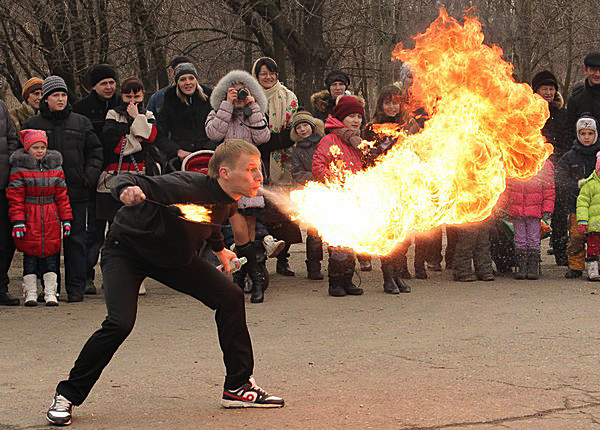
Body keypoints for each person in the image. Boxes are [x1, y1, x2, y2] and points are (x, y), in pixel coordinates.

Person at [45, 140, 284, 426]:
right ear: (224, 172)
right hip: (127, 252)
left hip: (174, 259)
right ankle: (67, 394)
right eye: (251, 169)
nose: (259, 177)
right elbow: (125, 178)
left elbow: (211, 223)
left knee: (230, 298)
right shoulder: (183, 184)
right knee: (120, 323)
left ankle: (238, 386)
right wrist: (126, 190)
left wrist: (221, 251)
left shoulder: (229, 200)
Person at [22, 76, 103, 302]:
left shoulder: (81, 122)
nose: (60, 99)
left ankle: (76, 287)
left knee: (76, 239)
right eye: (55, 95)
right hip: (42, 196)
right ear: (45, 99)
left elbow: (95, 152)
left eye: (63, 95)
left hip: (76, 192)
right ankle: (49, 289)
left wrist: (88, 177)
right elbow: (22, 157)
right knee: (45, 240)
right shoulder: (32, 125)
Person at [205, 69, 271, 303]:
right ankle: (254, 278)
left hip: (251, 173)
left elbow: (263, 137)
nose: (240, 94)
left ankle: (243, 275)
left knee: (250, 229)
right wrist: (227, 106)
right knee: (237, 225)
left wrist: (253, 107)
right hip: (229, 175)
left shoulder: (256, 112)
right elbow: (214, 133)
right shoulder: (217, 112)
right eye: (235, 90)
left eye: (244, 89)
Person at [362, 84, 420, 292]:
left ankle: (398, 273)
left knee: (402, 234)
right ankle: (388, 276)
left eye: (396, 102)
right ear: (381, 104)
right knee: (387, 233)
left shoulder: (408, 126)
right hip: (381, 185)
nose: (392, 107)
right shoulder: (371, 128)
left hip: (403, 184)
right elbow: (366, 156)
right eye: (388, 103)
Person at [7, 129, 72, 306]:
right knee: (30, 256)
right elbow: (15, 198)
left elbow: (62, 196)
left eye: (42, 147)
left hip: (50, 216)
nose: (40, 150)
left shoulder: (55, 168)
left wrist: (66, 219)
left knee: (51, 255)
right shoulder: (19, 169)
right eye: (35, 147)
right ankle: (30, 291)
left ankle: (51, 291)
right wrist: (18, 221)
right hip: (30, 216)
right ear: (27, 149)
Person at [251, 57, 301, 276]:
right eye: (263, 74)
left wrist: (280, 140)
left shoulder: (289, 97)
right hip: (256, 157)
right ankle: (258, 260)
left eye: (272, 73)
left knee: (285, 212)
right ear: (256, 76)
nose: (268, 77)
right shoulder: (250, 97)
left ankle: (283, 259)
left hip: (283, 158)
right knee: (259, 211)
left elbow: (294, 130)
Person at [312, 95, 366, 297]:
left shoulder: (358, 142)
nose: (356, 120)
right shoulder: (330, 140)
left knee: (352, 242)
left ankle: (348, 280)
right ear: (341, 117)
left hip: (355, 197)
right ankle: (335, 282)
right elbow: (318, 167)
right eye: (351, 116)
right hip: (336, 197)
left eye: (359, 116)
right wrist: (337, 180)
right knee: (338, 243)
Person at [72, 64, 119, 295]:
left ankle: (112, 275)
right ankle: (86, 275)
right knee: (93, 232)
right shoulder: (81, 109)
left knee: (117, 232)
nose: (109, 87)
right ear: (94, 86)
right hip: (92, 179)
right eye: (104, 83)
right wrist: (88, 174)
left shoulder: (124, 106)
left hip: (119, 177)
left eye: (112, 82)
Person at [530, 71, 569, 266]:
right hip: (536, 167)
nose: (548, 92)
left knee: (560, 212)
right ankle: (532, 253)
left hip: (558, 165)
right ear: (535, 90)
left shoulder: (562, 114)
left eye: (551, 88)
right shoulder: (526, 112)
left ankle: (561, 252)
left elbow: (567, 140)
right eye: (544, 88)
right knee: (534, 212)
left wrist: (557, 160)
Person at [556, 113, 600, 278]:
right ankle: (575, 265)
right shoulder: (569, 157)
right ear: (577, 134)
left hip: (598, 207)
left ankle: (596, 264)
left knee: (597, 237)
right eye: (583, 133)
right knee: (576, 236)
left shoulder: (599, 155)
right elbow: (560, 178)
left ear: (596, 134)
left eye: (590, 133)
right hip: (576, 205)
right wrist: (575, 186)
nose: (586, 137)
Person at [497, 161, 555, 279]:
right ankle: (522, 267)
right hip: (517, 210)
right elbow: (507, 187)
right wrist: (502, 206)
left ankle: (533, 267)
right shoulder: (514, 160)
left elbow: (549, 188)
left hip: (534, 210)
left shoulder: (544, 164)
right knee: (519, 239)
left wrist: (547, 208)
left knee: (533, 238)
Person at [156, 62, 215, 168]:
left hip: (208, 155)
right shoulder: (170, 100)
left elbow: (220, 129)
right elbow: (159, 134)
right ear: (176, 82)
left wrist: (207, 149)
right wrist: (177, 150)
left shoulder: (210, 98)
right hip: (179, 159)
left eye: (191, 78)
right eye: (183, 79)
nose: (188, 83)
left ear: (196, 80)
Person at [290, 109, 325, 280]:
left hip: (329, 189)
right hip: (310, 192)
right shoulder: (297, 151)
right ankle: (313, 266)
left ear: (312, 126)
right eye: (299, 128)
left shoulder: (324, 142)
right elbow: (296, 173)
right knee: (313, 231)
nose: (303, 130)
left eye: (305, 125)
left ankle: (338, 263)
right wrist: (315, 176)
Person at [0, 99, 20, 305]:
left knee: (5, 239)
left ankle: (1, 286)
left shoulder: (2, 107)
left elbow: (12, 138)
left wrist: (10, 161)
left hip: (3, 183)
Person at [565, 52, 600, 144]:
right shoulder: (575, 99)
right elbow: (569, 132)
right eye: (593, 70)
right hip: (582, 154)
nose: (597, 74)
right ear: (585, 70)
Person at [575, 152, 600, 281]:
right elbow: (582, 204)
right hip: (594, 226)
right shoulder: (590, 185)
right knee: (593, 248)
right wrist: (582, 221)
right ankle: (592, 270)